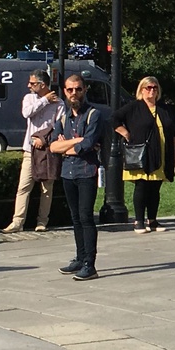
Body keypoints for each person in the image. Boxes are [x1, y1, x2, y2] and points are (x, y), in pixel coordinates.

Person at [49, 74, 106, 281]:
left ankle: (90, 264)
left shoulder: (94, 115)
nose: (74, 93)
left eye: (78, 89)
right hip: (68, 172)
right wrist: (75, 141)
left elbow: (88, 145)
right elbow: (53, 146)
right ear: (65, 91)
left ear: (85, 90)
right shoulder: (64, 117)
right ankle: (80, 258)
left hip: (86, 171)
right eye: (70, 90)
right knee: (75, 218)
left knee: (86, 217)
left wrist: (68, 145)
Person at [114, 76, 175, 233]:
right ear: (141, 90)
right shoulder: (134, 107)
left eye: (155, 87)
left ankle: (153, 220)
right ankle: (139, 221)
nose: (152, 91)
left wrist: (174, 153)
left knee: (155, 188)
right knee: (142, 186)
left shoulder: (163, 108)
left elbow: (172, 132)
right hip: (143, 154)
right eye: (148, 88)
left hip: (161, 153)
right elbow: (114, 119)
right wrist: (125, 133)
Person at [2, 71, 60, 233]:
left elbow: (58, 127)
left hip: (48, 151)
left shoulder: (58, 103)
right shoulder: (29, 98)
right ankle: (17, 222)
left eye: (33, 83)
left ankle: (42, 221)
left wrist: (45, 141)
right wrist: (44, 100)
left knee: (46, 189)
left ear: (43, 85)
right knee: (24, 186)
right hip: (30, 150)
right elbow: (27, 113)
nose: (29, 86)